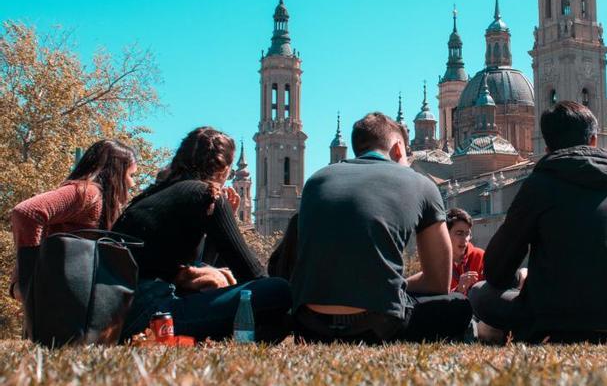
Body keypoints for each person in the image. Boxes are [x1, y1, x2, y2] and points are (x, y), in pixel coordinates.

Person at [469, 101, 607, 343]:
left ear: (547, 147)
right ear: (593, 140)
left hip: (558, 319)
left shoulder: (539, 184)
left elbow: (496, 270)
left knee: (479, 293)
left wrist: (524, 281)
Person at [289, 112, 472, 343]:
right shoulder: (421, 184)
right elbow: (438, 283)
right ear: (397, 148)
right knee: (458, 305)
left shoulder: (316, 180)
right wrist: (393, 283)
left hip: (310, 324)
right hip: (377, 324)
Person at [114, 127, 292, 343]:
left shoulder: (152, 193)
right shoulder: (208, 195)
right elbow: (253, 275)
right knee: (279, 291)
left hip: (115, 309)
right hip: (152, 315)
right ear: (223, 169)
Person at [10, 139, 137, 301]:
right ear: (116, 172)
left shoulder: (96, 199)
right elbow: (26, 212)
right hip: (60, 303)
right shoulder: (89, 193)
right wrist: (29, 276)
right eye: (131, 175)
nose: (132, 183)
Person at [446, 208, 485, 295]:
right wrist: (458, 290)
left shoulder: (480, 256)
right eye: (459, 233)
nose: (465, 239)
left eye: (467, 233)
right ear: (446, 234)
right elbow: (436, 302)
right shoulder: (438, 263)